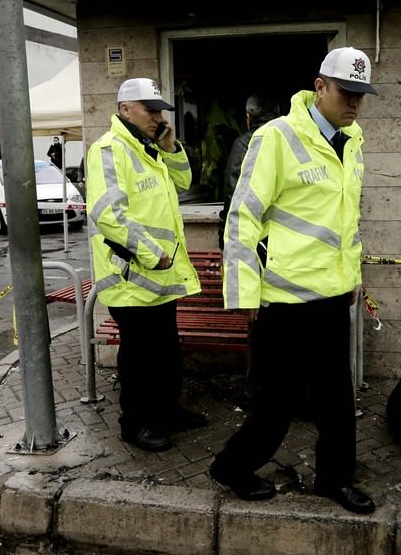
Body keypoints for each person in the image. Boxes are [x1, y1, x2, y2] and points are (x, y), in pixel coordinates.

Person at [211, 46, 378, 515]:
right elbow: (243, 215)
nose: (355, 104)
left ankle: (334, 479)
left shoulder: (353, 141)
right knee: (275, 403)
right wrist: (243, 292)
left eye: (362, 96)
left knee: (337, 399)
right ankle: (232, 468)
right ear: (319, 86)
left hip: (331, 300)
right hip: (283, 301)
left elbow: (345, 224)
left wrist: (352, 280)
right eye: (347, 93)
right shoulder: (277, 137)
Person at [85, 77, 206, 453]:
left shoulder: (149, 149)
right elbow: (107, 213)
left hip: (158, 276)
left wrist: (171, 147)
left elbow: (184, 183)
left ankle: (168, 411)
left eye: (160, 112)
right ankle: (134, 424)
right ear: (125, 109)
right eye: (150, 110)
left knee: (166, 350)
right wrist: (153, 253)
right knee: (139, 356)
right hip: (130, 274)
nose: (157, 118)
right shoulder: (109, 149)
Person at [217, 95, 278, 251]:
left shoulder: (245, 143)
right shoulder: (291, 139)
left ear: (248, 117)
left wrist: (225, 238)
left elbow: (232, 192)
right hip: (285, 235)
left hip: (253, 236)